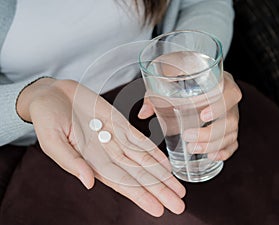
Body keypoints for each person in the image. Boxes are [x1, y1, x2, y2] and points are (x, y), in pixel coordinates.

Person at [0, 0, 241, 217]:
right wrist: (28, 98)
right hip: (36, 138)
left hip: (147, 106)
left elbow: (203, 3)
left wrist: (189, 63)